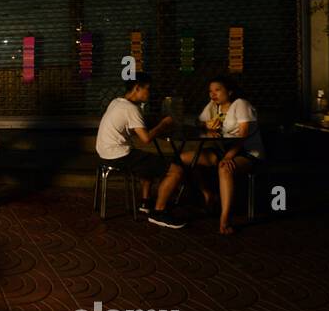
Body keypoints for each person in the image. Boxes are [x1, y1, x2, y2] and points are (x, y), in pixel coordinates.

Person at [95, 73, 185, 229]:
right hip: (119, 155)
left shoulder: (116, 102)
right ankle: (159, 213)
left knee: (148, 160)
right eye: (147, 89)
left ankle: (145, 202)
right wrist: (163, 124)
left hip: (104, 153)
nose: (149, 93)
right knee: (176, 171)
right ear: (137, 88)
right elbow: (146, 138)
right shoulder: (130, 109)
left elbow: (134, 124)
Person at [181, 76, 264, 235]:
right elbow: (197, 122)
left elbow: (243, 135)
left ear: (230, 91)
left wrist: (228, 157)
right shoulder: (214, 106)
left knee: (224, 168)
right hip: (224, 151)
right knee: (185, 158)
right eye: (210, 91)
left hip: (247, 152)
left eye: (217, 90)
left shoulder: (240, 104)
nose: (213, 94)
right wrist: (207, 125)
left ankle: (225, 219)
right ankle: (208, 195)